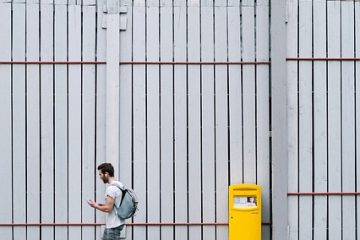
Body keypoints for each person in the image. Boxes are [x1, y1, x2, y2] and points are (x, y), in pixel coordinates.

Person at [87, 163, 125, 240]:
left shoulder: (111, 189)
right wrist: (97, 204)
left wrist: (94, 206)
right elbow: (114, 205)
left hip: (112, 227)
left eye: (100, 174)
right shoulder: (120, 185)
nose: (100, 177)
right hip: (117, 224)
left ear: (106, 174)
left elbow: (108, 208)